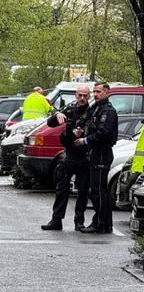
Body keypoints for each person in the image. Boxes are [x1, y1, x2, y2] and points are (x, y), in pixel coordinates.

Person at [41, 85, 91, 231]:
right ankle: (56, 220)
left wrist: (82, 132)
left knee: (82, 190)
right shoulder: (70, 109)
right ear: (76, 95)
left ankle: (79, 222)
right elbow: (50, 123)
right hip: (69, 155)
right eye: (80, 95)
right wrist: (56, 116)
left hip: (84, 155)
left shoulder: (91, 111)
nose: (82, 98)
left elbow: (93, 130)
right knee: (61, 188)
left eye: (85, 96)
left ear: (88, 96)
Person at [77, 82, 118, 234]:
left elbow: (103, 133)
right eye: (94, 91)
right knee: (99, 189)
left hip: (102, 152)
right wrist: (81, 130)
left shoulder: (108, 111)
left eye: (98, 92)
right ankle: (105, 224)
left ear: (107, 93)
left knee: (98, 190)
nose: (95, 94)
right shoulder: (97, 108)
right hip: (95, 152)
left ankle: (100, 223)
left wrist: (85, 140)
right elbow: (89, 124)